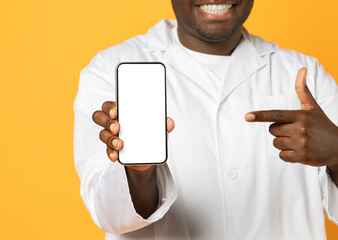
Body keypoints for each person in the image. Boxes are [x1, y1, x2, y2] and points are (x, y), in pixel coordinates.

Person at [73, 0, 338, 239]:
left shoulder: (306, 75)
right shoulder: (111, 69)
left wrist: (337, 154)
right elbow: (109, 215)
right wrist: (139, 173)